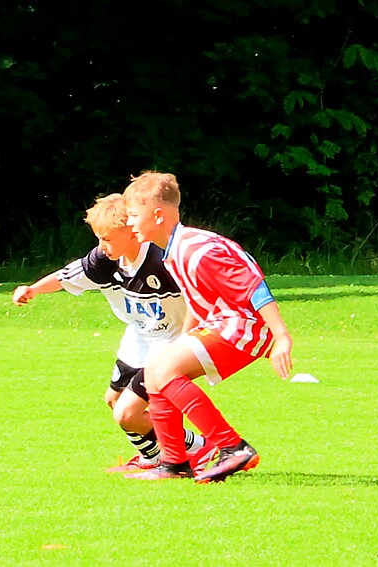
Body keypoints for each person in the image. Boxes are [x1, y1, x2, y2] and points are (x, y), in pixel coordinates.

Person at [12, 194, 217, 473]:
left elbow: (199, 296)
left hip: (169, 344)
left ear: (132, 231)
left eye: (107, 238)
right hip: (138, 340)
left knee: (128, 414)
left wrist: (184, 340)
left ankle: (199, 447)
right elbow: (65, 276)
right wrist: (33, 289)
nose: (101, 246)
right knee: (114, 400)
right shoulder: (104, 261)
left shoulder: (162, 261)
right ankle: (152, 457)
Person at [122, 171, 293, 483]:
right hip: (225, 322)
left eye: (133, 215)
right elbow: (196, 299)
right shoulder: (175, 249)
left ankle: (233, 448)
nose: (129, 222)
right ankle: (174, 464)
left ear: (157, 215)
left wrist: (281, 336)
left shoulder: (194, 249)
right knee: (157, 368)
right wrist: (183, 338)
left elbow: (253, 286)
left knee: (165, 370)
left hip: (243, 325)